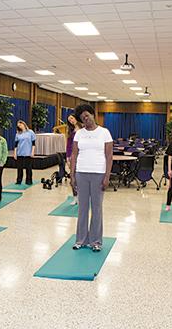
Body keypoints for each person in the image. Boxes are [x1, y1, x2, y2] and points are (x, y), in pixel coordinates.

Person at [70, 104, 113, 252]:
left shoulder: (104, 133)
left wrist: (107, 176)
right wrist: (72, 175)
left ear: (93, 115)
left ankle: (96, 241)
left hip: (98, 174)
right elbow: (74, 155)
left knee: (96, 208)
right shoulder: (79, 134)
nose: (85, 119)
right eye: (82, 118)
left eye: (87, 115)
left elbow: (109, 156)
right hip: (81, 173)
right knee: (82, 208)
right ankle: (81, 240)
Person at [66, 114, 83, 205]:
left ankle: (82, 197)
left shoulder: (84, 128)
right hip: (73, 156)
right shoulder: (71, 131)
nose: (71, 121)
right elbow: (68, 145)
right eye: (69, 120)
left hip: (83, 156)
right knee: (73, 177)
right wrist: (68, 158)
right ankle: (75, 197)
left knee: (81, 178)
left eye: (72, 118)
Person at [13, 120, 36, 185]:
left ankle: (29, 181)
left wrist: (32, 152)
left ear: (24, 124)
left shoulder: (30, 132)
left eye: (20, 124)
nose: (19, 126)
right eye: (18, 126)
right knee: (19, 168)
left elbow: (33, 143)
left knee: (28, 168)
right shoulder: (17, 134)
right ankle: (19, 180)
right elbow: (16, 145)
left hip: (28, 153)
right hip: (20, 153)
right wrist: (15, 153)